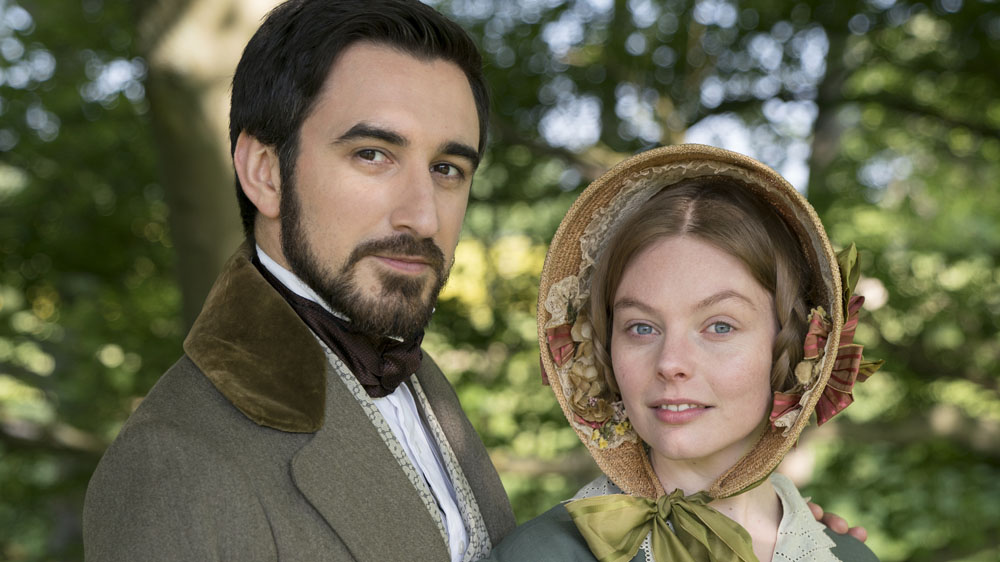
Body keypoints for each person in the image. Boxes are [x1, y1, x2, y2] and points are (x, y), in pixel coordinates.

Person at [82, 1, 515, 560]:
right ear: (265, 173)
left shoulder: (424, 388)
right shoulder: (171, 463)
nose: (424, 217)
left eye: (446, 169)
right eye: (373, 154)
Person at [486, 144, 881, 561]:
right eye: (641, 327)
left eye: (720, 326)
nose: (670, 363)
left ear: (797, 345)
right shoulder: (541, 554)